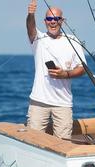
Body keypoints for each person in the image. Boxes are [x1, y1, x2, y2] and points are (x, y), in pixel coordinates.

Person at [26, 0, 86, 139]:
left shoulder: (73, 41)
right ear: (45, 21)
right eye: (49, 19)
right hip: (39, 101)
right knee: (33, 140)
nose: (53, 22)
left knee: (63, 143)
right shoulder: (38, 38)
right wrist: (31, 14)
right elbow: (30, 27)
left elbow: (82, 68)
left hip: (63, 103)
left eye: (56, 19)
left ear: (62, 21)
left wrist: (65, 74)